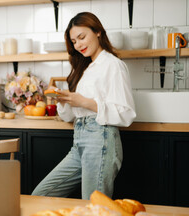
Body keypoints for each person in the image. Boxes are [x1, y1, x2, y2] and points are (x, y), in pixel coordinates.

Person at [32, 12, 136, 200]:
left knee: (93, 206)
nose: (78, 44)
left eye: (82, 37)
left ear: (97, 32)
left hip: (101, 139)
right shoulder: (84, 68)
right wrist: (65, 101)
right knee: (41, 195)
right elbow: (70, 116)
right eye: (74, 41)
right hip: (79, 139)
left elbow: (126, 114)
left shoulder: (113, 65)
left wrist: (83, 102)